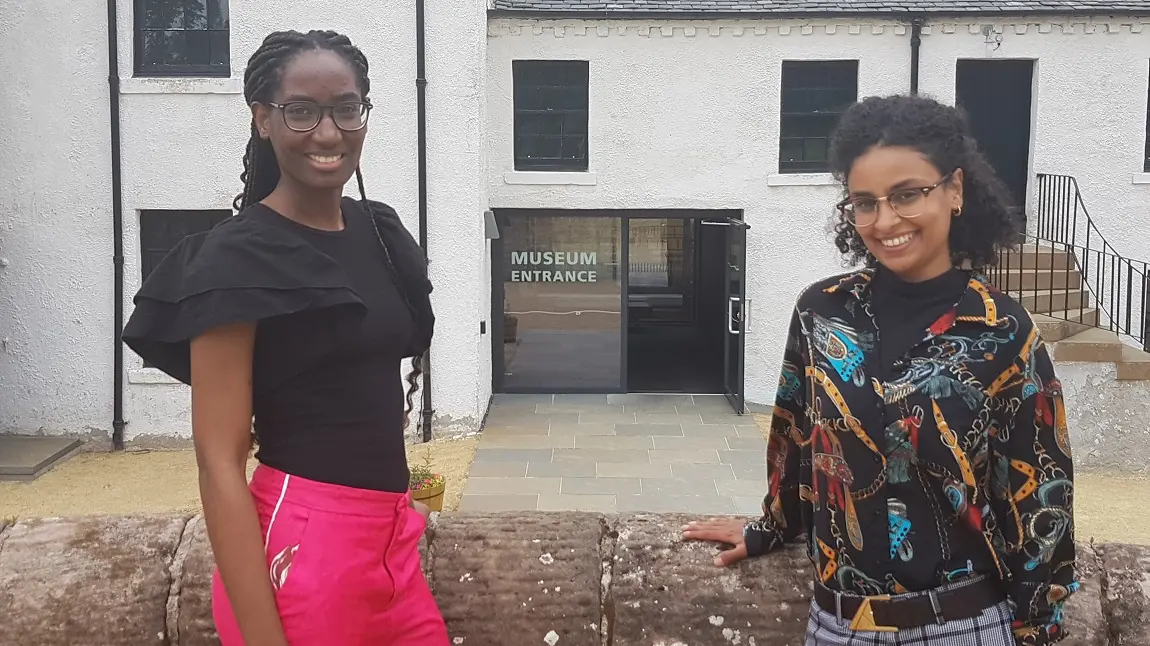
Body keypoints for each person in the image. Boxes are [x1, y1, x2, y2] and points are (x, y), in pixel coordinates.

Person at [683, 95, 1077, 646]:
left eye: (907, 194)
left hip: (963, 627)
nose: (885, 220)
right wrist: (772, 525)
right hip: (836, 626)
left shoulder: (1003, 331)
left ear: (955, 189)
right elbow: (795, 438)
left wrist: (1039, 625)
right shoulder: (821, 312)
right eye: (864, 202)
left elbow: (1041, 495)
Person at [122, 30, 447, 646]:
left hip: (393, 545)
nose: (328, 133)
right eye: (302, 110)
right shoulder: (235, 259)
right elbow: (220, 462)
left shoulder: (378, 234)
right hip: (303, 552)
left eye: (346, 108)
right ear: (263, 118)